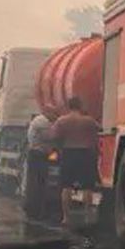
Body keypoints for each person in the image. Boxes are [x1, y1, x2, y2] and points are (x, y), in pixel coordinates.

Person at [50, 97, 101, 226]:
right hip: (86, 154)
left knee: (66, 186)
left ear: (68, 106)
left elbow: (54, 137)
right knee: (87, 187)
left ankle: (66, 218)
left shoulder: (62, 121)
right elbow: (99, 131)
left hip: (68, 153)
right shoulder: (89, 121)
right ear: (80, 106)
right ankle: (87, 216)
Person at [22, 112, 54, 220]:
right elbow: (50, 136)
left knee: (34, 181)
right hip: (38, 155)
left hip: (36, 154)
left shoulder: (40, 121)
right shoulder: (42, 122)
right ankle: (34, 209)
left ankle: (32, 207)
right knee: (38, 182)